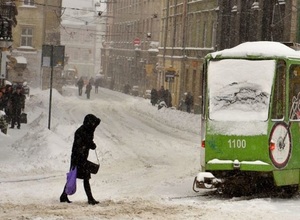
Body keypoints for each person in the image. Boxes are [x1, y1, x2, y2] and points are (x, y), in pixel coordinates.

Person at [60, 114, 101, 205]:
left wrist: (91, 144)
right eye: (92, 123)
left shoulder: (88, 130)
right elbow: (81, 144)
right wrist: (90, 145)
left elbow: (87, 141)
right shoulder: (81, 131)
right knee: (75, 177)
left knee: (78, 177)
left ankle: (64, 196)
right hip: (78, 158)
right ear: (88, 122)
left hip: (82, 158)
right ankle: (89, 198)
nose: (94, 125)